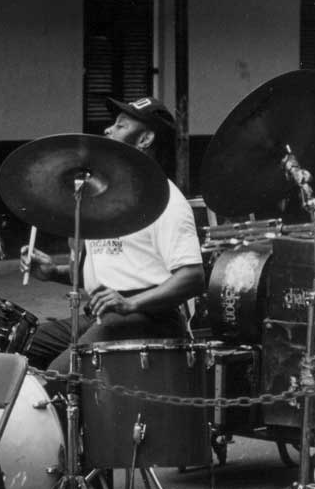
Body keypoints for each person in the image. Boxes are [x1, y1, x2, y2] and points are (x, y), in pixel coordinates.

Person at [20, 96, 204, 374]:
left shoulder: (166, 200)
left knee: (61, 374)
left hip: (149, 319)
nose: (108, 130)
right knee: (19, 347)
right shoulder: (106, 201)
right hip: (102, 314)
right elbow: (111, 274)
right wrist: (52, 272)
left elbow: (192, 277)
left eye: (120, 125)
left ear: (145, 139)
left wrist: (130, 304)